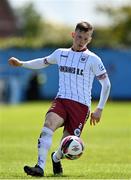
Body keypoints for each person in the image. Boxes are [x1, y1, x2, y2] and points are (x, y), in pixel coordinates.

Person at [8, 21, 111, 177]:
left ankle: (56, 158)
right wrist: (22, 64)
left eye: (85, 38)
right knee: (48, 125)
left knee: (67, 145)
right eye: (79, 36)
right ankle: (40, 167)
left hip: (81, 106)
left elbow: (106, 84)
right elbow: (42, 62)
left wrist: (100, 109)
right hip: (62, 100)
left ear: (89, 40)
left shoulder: (93, 59)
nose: (81, 40)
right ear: (73, 35)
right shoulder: (60, 53)